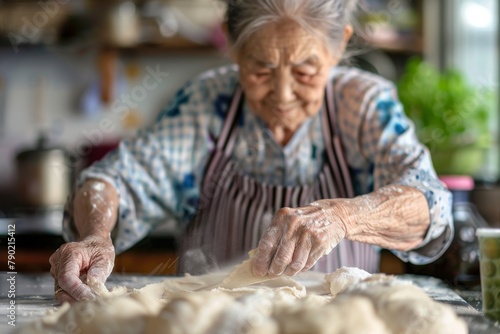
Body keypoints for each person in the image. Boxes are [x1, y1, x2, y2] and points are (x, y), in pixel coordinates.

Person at [49, 0, 453, 303]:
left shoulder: (363, 105)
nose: (282, 93)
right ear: (233, 46)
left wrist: (343, 216)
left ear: (339, 44)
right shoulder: (207, 103)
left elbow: (429, 204)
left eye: (304, 71)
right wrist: (95, 236)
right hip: (212, 323)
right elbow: (114, 180)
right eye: (260, 70)